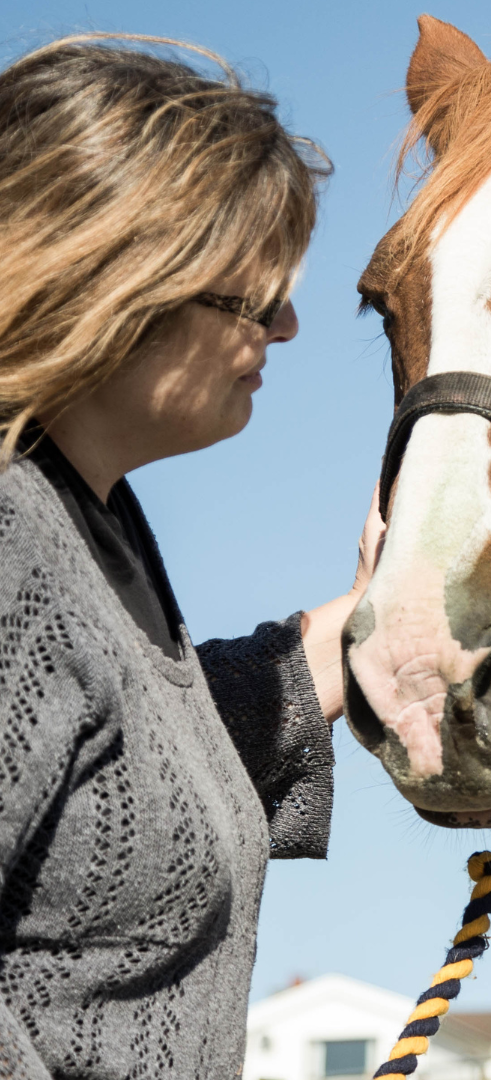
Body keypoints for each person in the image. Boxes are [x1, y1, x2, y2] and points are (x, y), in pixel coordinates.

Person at [0, 35, 377, 1079]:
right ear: (124, 277)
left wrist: (347, 646)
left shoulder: (87, 522)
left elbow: (112, 773)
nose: (290, 326)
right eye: (255, 298)